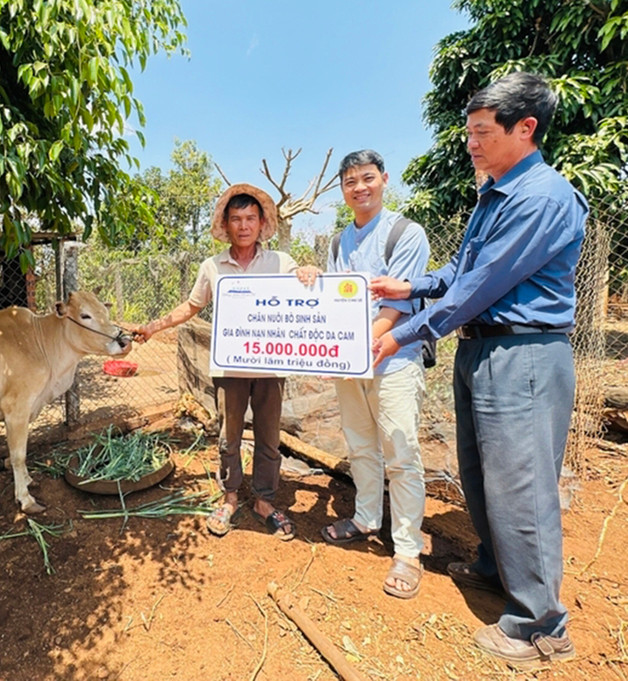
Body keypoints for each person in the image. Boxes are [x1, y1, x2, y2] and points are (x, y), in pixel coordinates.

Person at [371, 72, 587, 667]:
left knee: (522, 485)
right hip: (483, 351)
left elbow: (479, 288)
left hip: (523, 354)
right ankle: (497, 567)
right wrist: (412, 284)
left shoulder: (543, 198)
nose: (471, 143)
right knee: (482, 472)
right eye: (468, 132)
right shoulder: (496, 191)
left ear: (526, 129)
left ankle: (540, 626)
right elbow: (463, 270)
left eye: (482, 132)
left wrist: (405, 331)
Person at [297, 150, 430, 599]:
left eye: (367, 178)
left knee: (400, 449)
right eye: (350, 181)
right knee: (360, 445)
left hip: (393, 359)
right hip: (349, 361)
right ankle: (367, 518)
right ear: (343, 189)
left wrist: (357, 346)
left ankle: (408, 550)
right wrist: (311, 276)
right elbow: (334, 299)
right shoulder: (340, 242)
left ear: (384, 180)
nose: (360, 187)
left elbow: (397, 305)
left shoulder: (405, 234)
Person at [136, 183, 298, 540]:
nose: (243, 226)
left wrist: (312, 274)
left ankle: (265, 501)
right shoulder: (212, 266)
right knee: (229, 436)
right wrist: (152, 327)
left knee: (270, 438)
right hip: (229, 367)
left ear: (261, 223)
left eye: (250, 219)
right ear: (226, 225)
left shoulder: (281, 263)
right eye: (236, 219)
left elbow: (305, 296)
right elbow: (190, 307)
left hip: (271, 368)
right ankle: (230, 497)